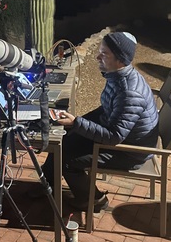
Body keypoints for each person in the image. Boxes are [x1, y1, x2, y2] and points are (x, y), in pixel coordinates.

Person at [33, 31, 159, 212]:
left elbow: (114, 137)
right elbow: (106, 110)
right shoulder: (117, 75)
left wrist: (77, 123)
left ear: (120, 59)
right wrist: (76, 124)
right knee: (63, 138)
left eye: (104, 53)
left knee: (67, 159)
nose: (97, 57)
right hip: (120, 136)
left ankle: (93, 200)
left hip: (129, 152)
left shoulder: (129, 92)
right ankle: (47, 184)